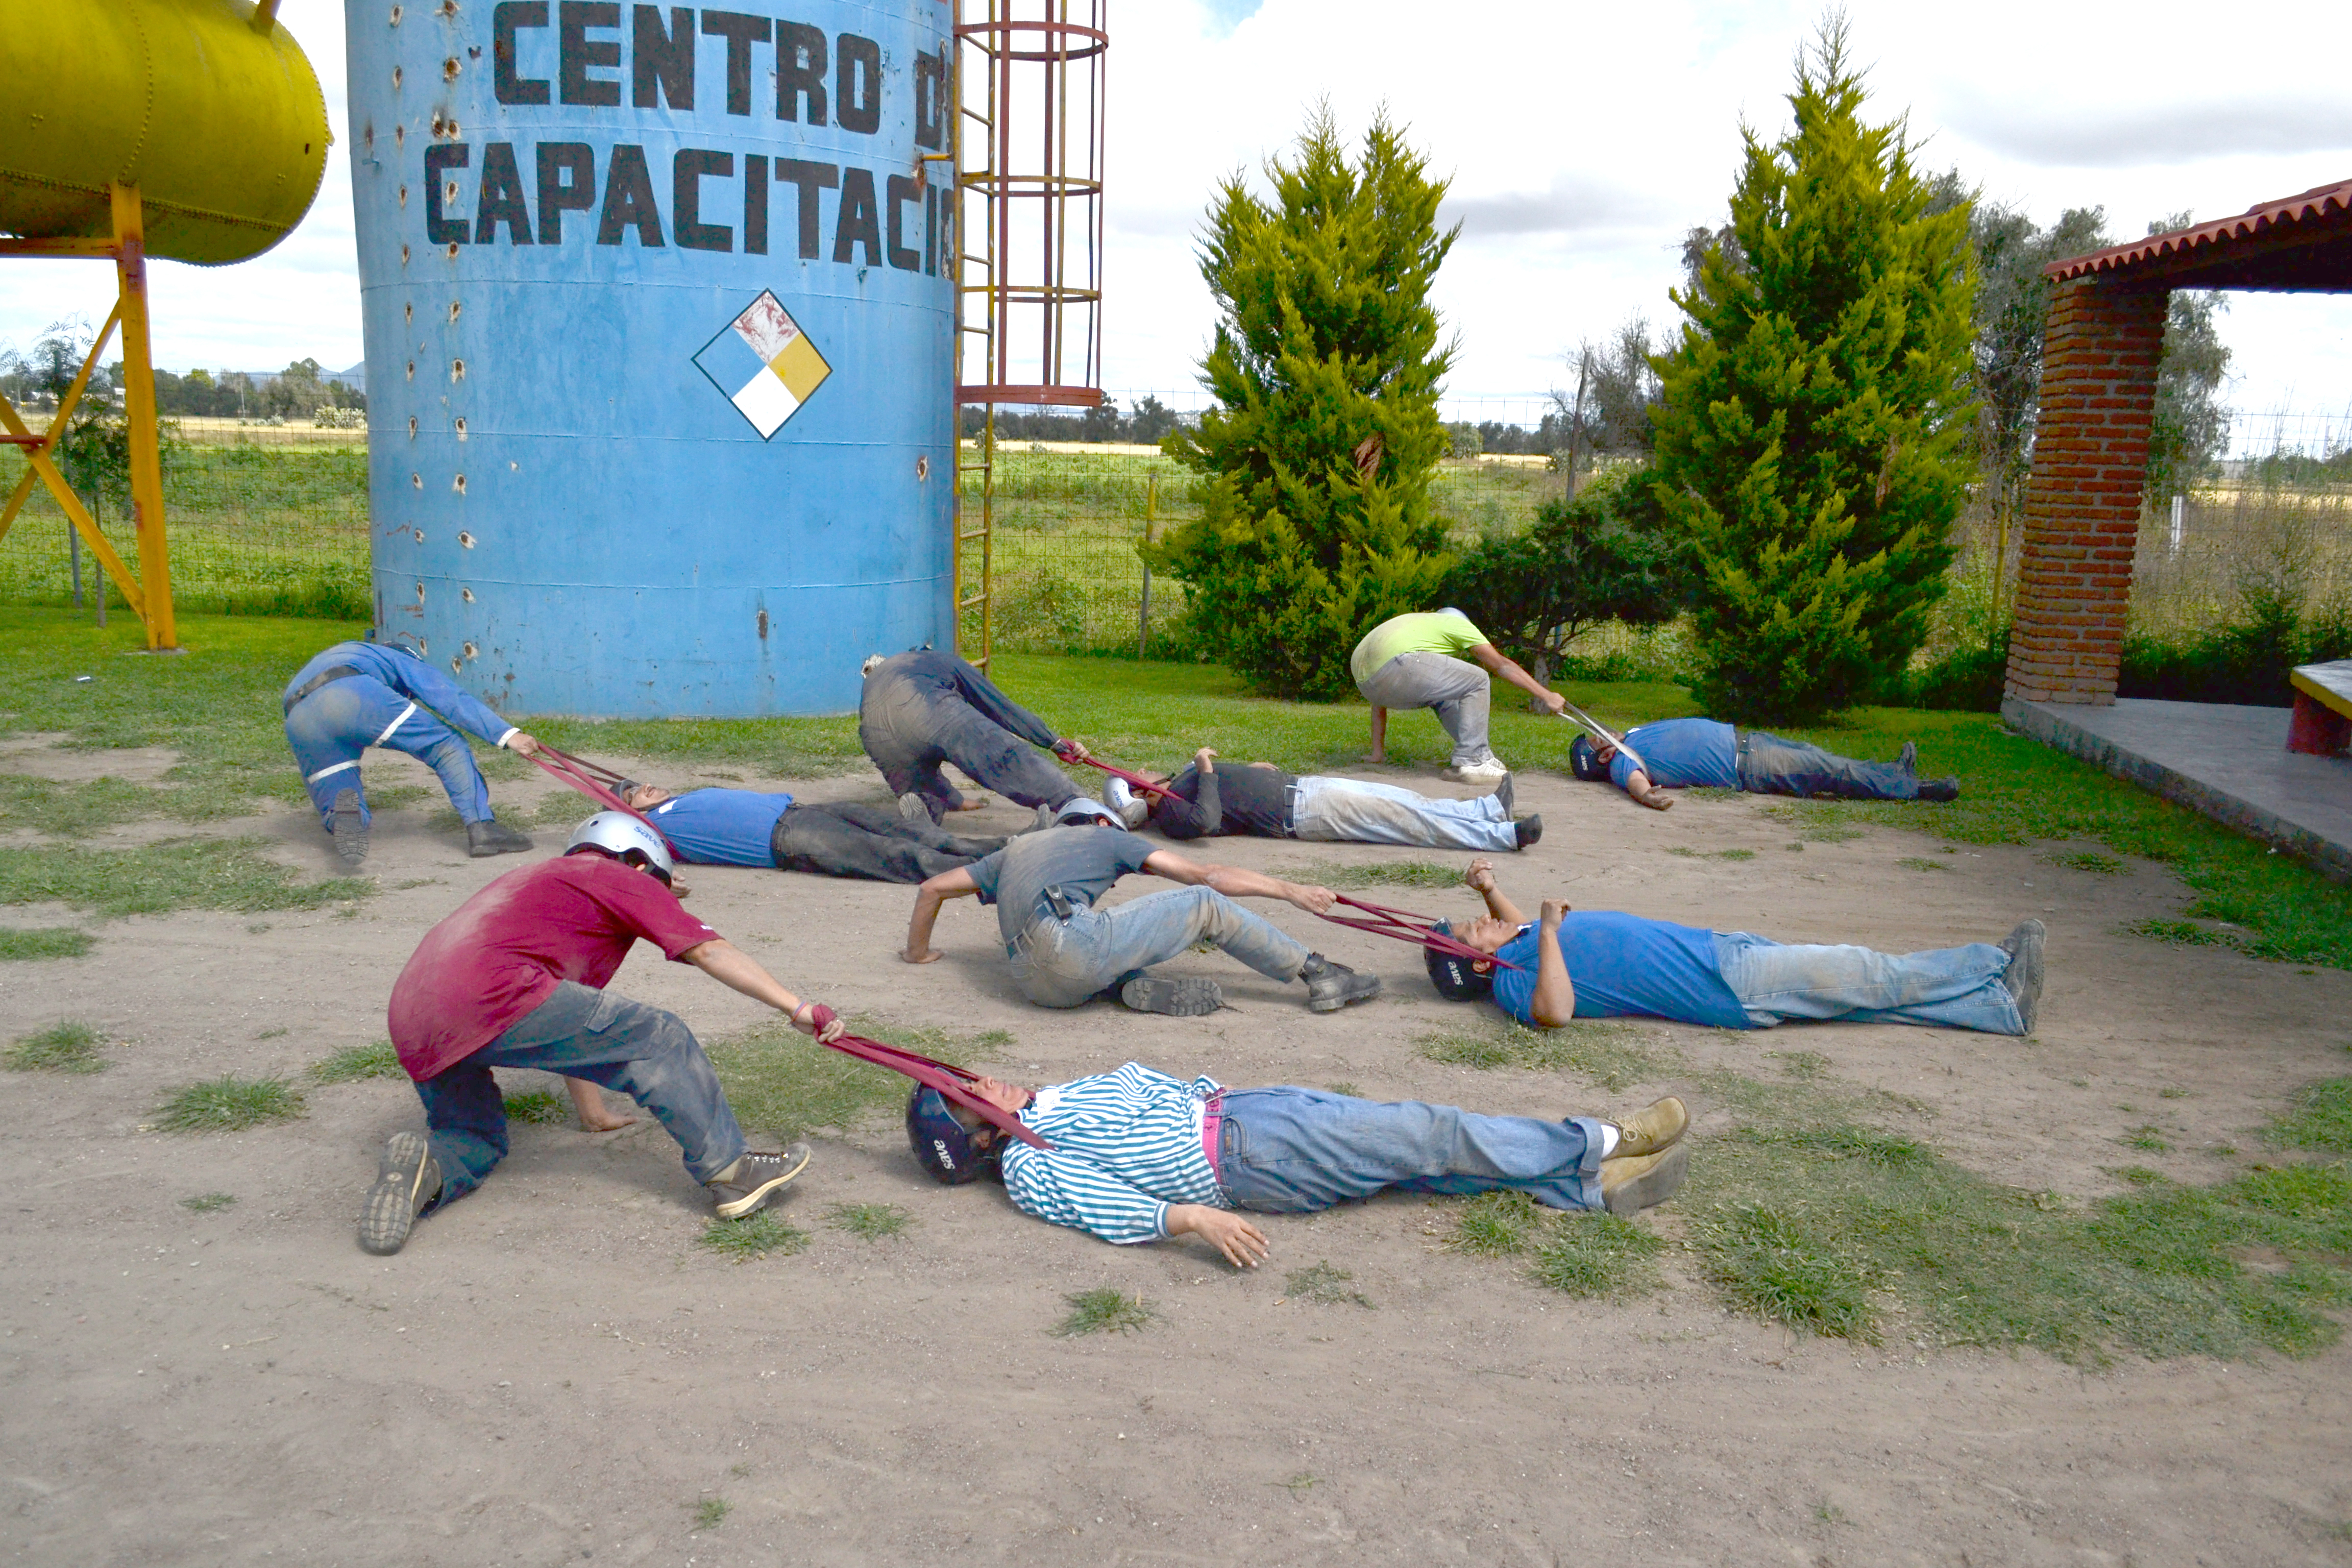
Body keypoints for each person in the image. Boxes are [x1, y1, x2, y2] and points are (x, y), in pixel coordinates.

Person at [361, 811, 846, 1256]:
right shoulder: (614, 874)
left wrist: (592, 1113)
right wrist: (796, 1007)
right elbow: (708, 951)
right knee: (661, 1038)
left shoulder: (538, 884)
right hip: (494, 994)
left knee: (473, 1137)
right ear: (638, 862)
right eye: (658, 881)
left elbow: (572, 1017)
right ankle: (733, 1171)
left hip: (413, 1016)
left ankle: (428, 1165)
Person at [901, 1065, 1694, 1263]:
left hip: (1247, 1116)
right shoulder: (1029, 1164)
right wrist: (1187, 1218)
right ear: (976, 1140)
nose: (979, 1084)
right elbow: (1091, 1203)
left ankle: (1588, 1191)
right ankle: (1604, 1141)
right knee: (1428, 1131)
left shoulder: (1045, 1105)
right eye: (967, 1099)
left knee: (1415, 1163)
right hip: (1246, 1154)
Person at [1427, 860, 2045, 1035]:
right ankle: (1991, 965)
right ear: (1482, 962)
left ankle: (1995, 1009)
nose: (1481, 920)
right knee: (1863, 970)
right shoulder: (1516, 981)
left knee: (1859, 999)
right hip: (1727, 982)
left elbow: (1522, 932)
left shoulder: (1520, 946)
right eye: (1471, 930)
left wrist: (1494, 889)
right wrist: (1553, 931)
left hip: (1722, 955)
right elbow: (1554, 1012)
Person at [901, 807, 1383, 1017]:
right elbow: (1206, 877)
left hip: (1033, 985)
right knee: (1202, 906)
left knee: (1117, 936)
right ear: (1096, 821)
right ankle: (1319, 972)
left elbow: (931, 890)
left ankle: (1129, 985)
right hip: (1067, 941)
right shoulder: (1105, 837)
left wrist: (917, 954)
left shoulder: (1015, 851)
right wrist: (1289, 889)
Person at [281, 636, 540, 865]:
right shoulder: (399, 657)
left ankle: (345, 817)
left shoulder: (349, 652)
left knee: (338, 777)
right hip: (352, 694)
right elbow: (448, 697)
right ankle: (483, 828)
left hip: (299, 716)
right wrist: (508, 735)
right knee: (446, 745)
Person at [1105, 746, 1539, 852]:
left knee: (1404, 801)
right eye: (1137, 775)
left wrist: (1249, 773)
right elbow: (1206, 820)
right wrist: (1205, 771)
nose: (1143, 770)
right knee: (1402, 819)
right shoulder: (1172, 812)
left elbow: (1226, 800)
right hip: (1304, 811)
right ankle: (1501, 837)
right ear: (1140, 790)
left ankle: (1485, 810)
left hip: (1304, 789)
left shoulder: (1178, 787)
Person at [614, 781, 1008, 885]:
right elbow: (623, 860)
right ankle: (994, 871)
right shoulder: (653, 831)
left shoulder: (678, 803)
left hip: (798, 811)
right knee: (890, 852)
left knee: (901, 827)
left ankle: (1005, 846)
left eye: (641, 784)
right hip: (786, 839)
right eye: (633, 794)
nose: (644, 787)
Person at [859, 649, 1089, 825]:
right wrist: (1054, 741)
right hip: (923, 706)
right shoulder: (939, 661)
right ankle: (1078, 805)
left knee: (920, 783)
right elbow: (998, 707)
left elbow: (898, 733)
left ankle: (927, 807)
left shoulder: (870, 686)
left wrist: (957, 801)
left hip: (876, 736)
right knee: (1002, 756)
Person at [1350, 608, 1566, 786]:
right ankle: (1471, 760)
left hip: (1367, 682)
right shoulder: (1456, 624)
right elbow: (1501, 665)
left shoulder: (1417, 624)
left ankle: (1481, 755)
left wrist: (1377, 753)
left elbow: (1379, 699)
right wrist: (1546, 695)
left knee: (1443, 696)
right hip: (1400, 664)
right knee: (1478, 679)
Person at [1570, 719, 1957, 810]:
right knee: (1831, 771)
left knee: (1827, 761)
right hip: (1751, 765)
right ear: (1602, 756)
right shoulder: (1623, 764)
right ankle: (1917, 789)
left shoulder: (1631, 738)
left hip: (1749, 742)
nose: (1599, 731)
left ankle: (1892, 772)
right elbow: (1636, 783)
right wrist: (1648, 797)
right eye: (1593, 737)